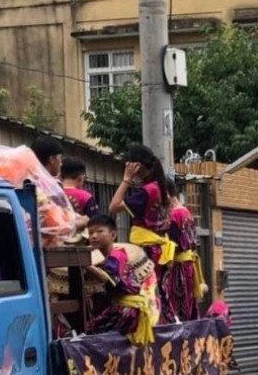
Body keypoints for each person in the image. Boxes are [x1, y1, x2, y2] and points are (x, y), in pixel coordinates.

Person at [110, 144, 176, 303]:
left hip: (146, 251)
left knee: (145, 295)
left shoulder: (147, 191)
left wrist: (126, 179)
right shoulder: (159, 188)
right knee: (158, 294)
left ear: (136, 165)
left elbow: (113, 206)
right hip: (159, 250)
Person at [84, 214, 159, 345]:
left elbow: (108, 278)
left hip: (127, 310)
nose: (94, 236)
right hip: (126, 307)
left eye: (99, 231)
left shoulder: (116, 256)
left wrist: (85, 265)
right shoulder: (110, 257)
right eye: (91, 233)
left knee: (92, 333)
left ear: (113, 235)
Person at [161, 178, 207, 322]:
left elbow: (172, 243)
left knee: (179, 308)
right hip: (187, 265)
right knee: (189, 305)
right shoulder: (186, 211)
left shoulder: (175, 215)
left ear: (166, 194)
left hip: (179, 267)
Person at [61, 157, 100, 232]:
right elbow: (95, 223)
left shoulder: (53, 194)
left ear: (61, 176)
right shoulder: (86, 197)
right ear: (81, 177)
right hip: (80, 242)